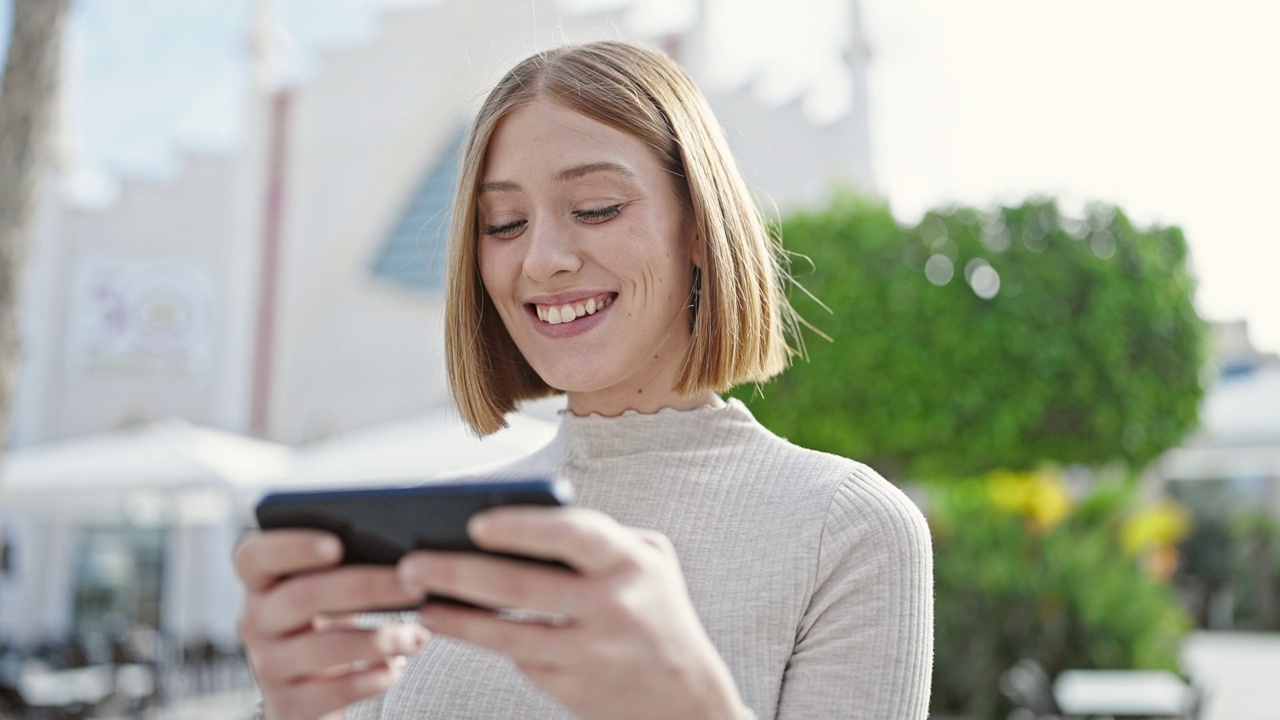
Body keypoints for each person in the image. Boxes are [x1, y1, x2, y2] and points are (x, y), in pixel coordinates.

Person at [234, 40, 934, 720]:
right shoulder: (424, 541)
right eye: (503, 224)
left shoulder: (847, 531)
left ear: (698, 229)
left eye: (597, 208)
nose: (540, 260)